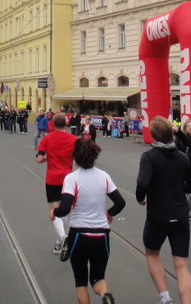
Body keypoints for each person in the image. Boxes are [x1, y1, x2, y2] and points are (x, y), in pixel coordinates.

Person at [52, 138, 125, 304]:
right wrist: (109, 213)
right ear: (94, 156)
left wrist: (53, 212)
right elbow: (120, 202)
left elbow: (64, 208)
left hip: (79, 234)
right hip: (102, 235)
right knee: (98, 277)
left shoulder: (72, 178)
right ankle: (104, 293)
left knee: (80, 280)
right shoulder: (104, 176)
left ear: (75, 157)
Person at [136, 116, 191, 304]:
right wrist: (180, 189)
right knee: (181, 266)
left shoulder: (149, 157)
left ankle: (165, 297)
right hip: (179, 216)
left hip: (158, 216)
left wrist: (141, 197)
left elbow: (142, 183)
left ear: (153, 134)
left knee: (152, 253)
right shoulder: (182, 157)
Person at [37, 112, 79, 254]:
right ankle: (59, 242)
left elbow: (39, 158)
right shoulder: (74, 139)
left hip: (52, 179)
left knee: (54, 211)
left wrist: (47, 158)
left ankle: (62, 237)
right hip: (68, 178)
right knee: (64, 210)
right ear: (66, 123)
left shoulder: (47, 138)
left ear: (53, 124)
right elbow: (78, 159)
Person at [174, 118, 191, 221]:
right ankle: (179, 210)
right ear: (185, 128)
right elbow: (175, 149)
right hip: (180, 167)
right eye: (188, 126)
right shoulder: (179, 138)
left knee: (190, 193)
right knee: (180, 190)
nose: (190, 128)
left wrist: (189, 156)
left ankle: (190, 212)